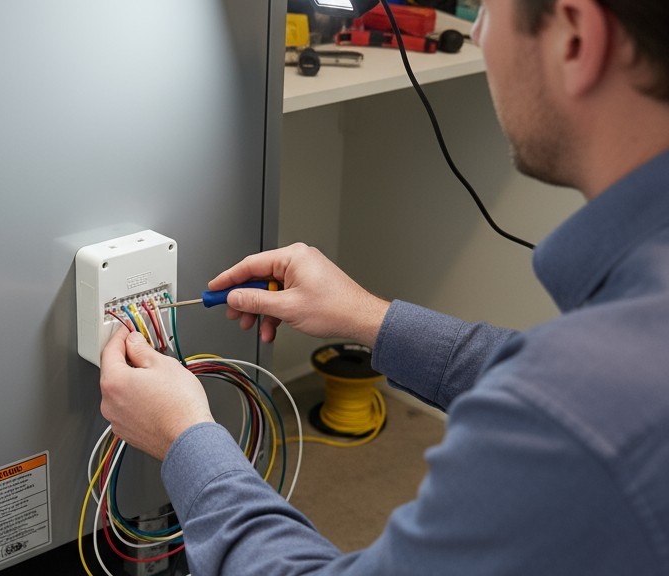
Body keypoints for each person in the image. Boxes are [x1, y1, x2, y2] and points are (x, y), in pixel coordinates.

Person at [98, 0, 669, 574]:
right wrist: (368, 317)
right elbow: (546, 381)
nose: (476, 32)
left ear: (574, 38)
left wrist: (185, 439)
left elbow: (564, 402)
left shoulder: (579, 416)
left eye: (489, 12)